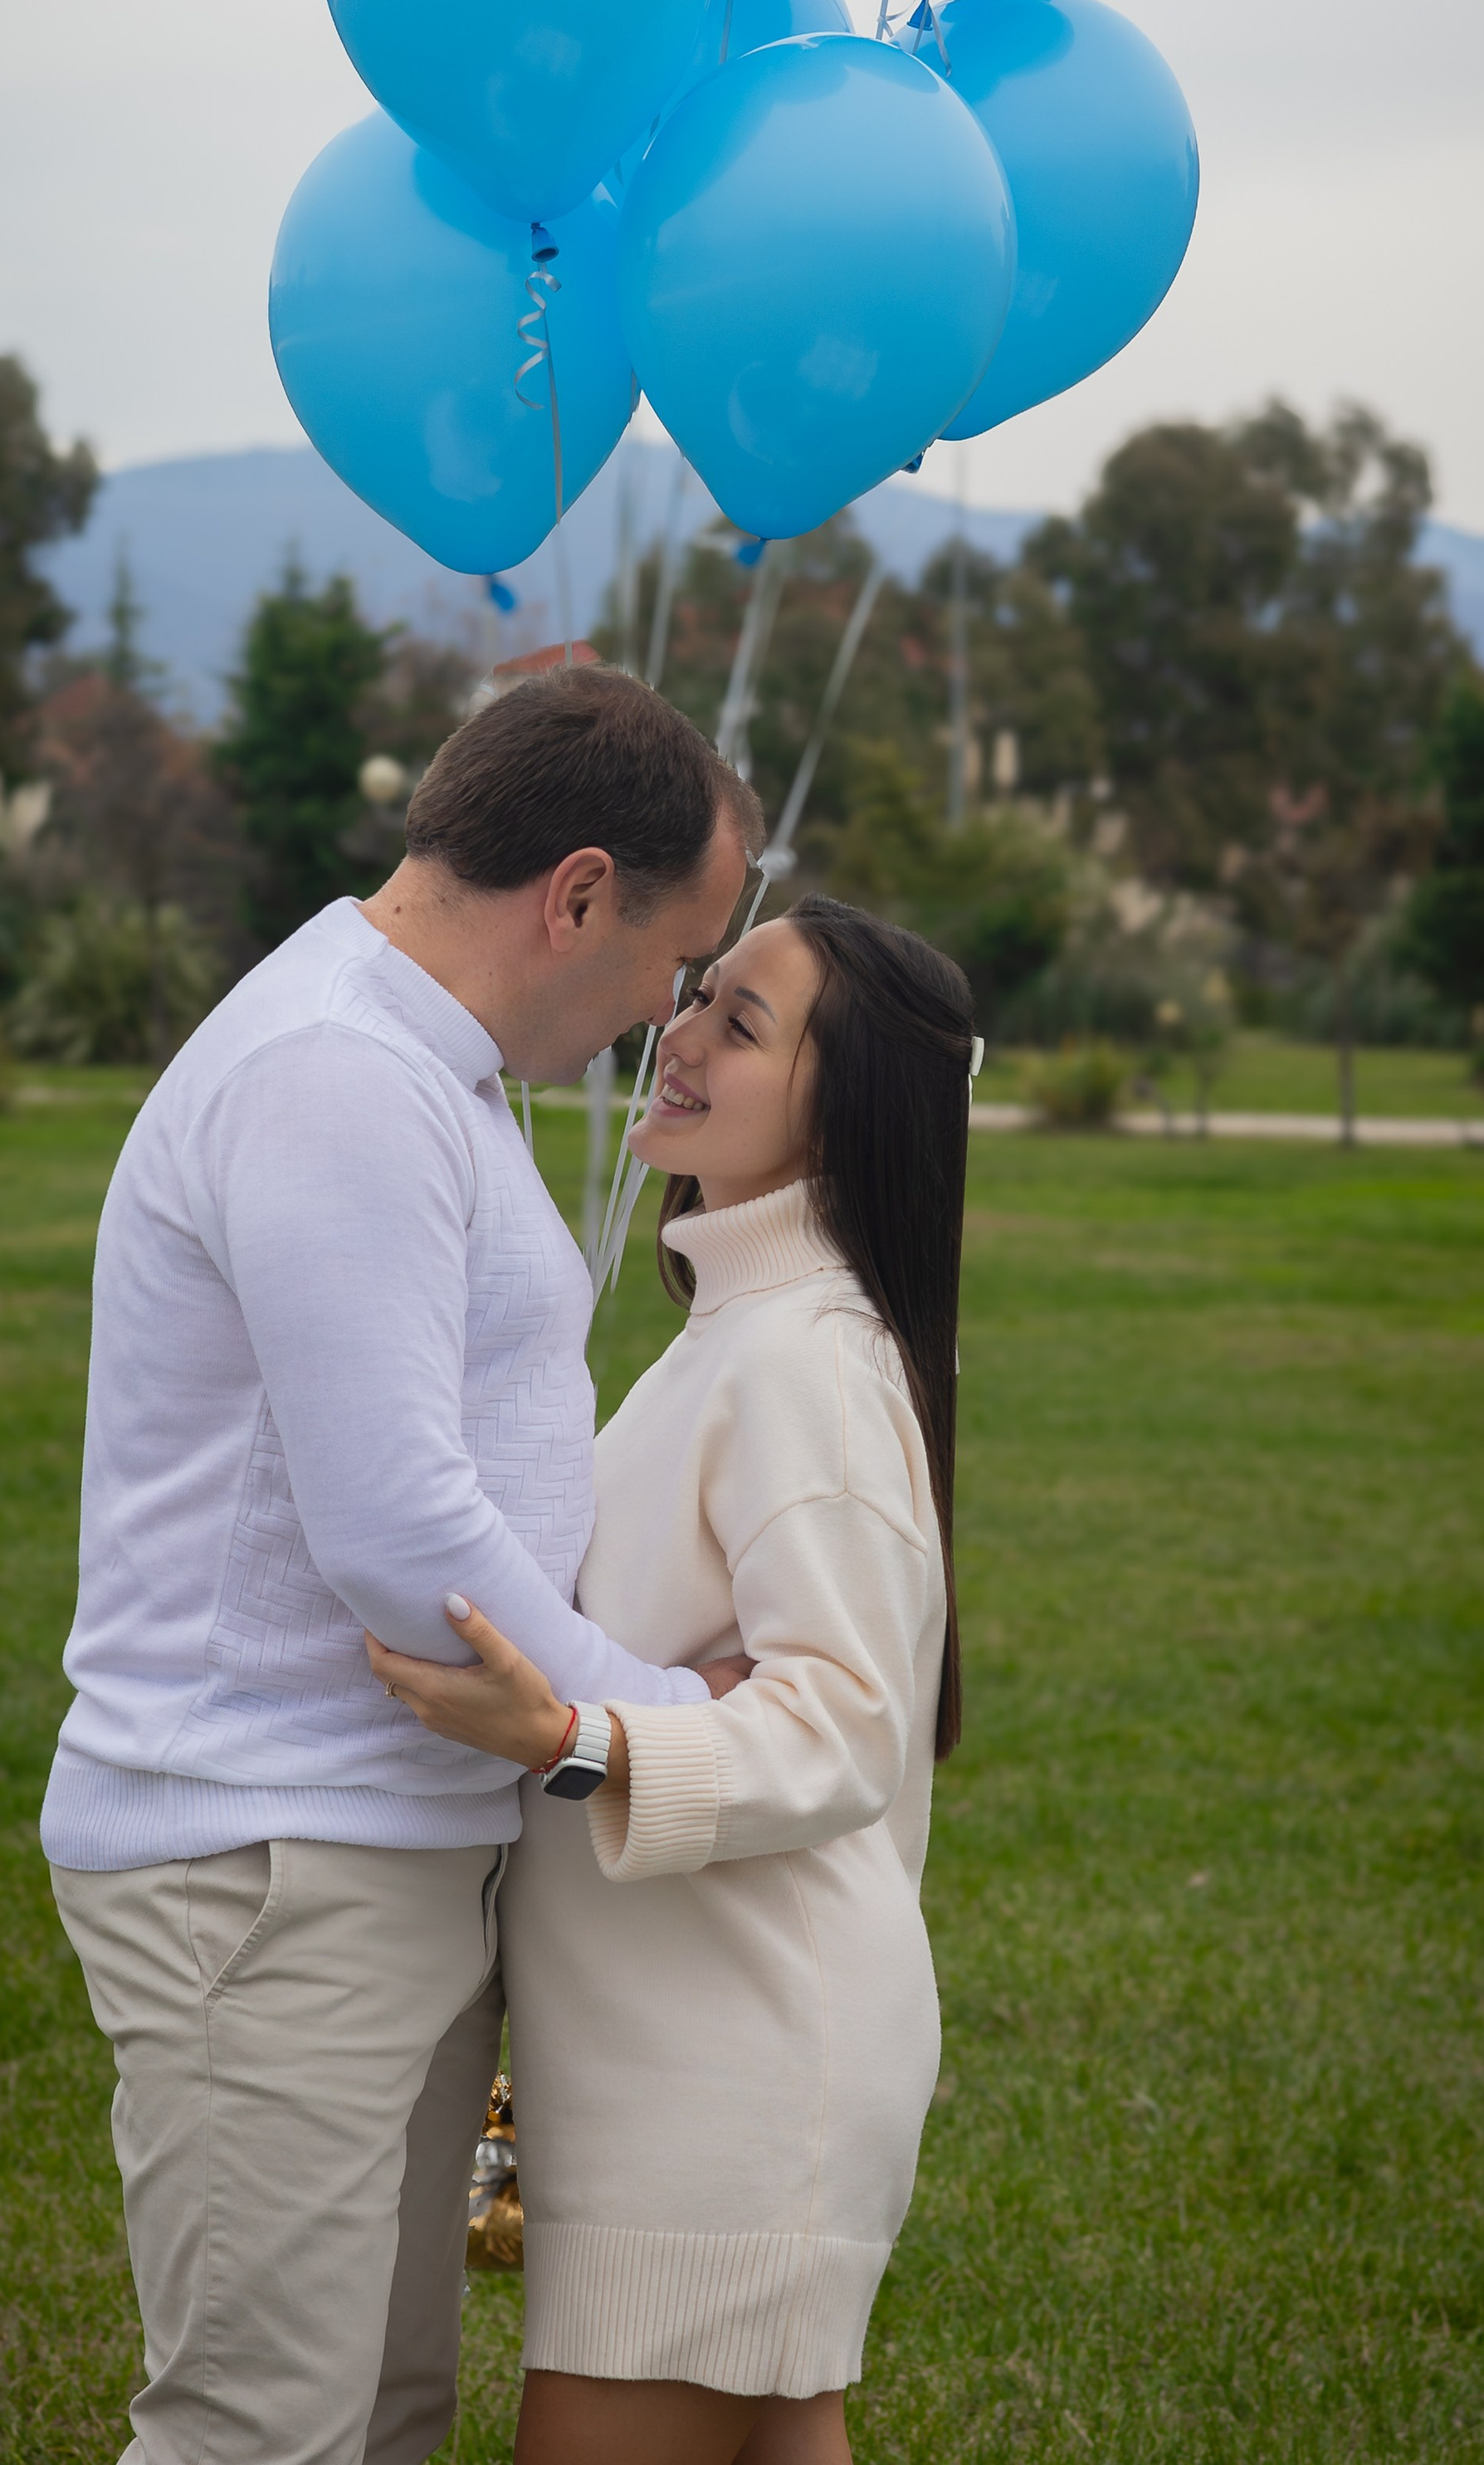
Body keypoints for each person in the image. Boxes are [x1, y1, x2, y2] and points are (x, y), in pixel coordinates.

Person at [43, 666, 761, 2465]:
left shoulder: (420, 1064)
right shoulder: (335, 1076)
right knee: (257, 2431)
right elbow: (395, 1531)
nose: (661, 1018)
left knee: (374, 2415)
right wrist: (673, 1723)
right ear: (577, 894)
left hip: (369, 1849)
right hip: (267, 1859)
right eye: (677, 961)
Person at [369, 895, 975, 2465]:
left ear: (848, 1113)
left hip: (738, 2078)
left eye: (741, 1023)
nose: (679, 1038)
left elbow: (845, 1722)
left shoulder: (807, 1363)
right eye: (697, 997)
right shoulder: (743, 1329)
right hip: (704, 2055)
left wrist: (572, 1736)